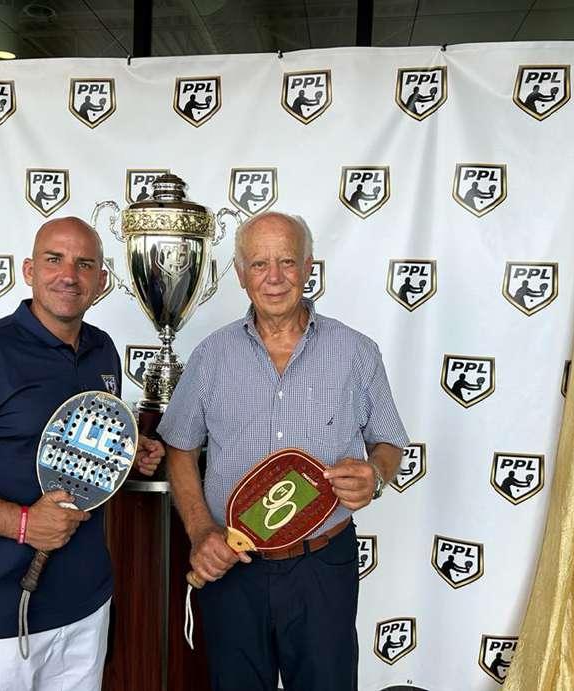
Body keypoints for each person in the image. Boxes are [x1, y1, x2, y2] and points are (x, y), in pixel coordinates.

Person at [0, 217, 164, 691]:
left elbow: (76, 447)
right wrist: (22, 523)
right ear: (28, 271)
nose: (69, 275)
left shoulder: (102, 350)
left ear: (101, 280)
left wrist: (125, 450)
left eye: (85, 264)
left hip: (86, 602)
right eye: (54, 259)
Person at [157, 211, 408, 690]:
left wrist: (375, 475)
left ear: (309, 267)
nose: (274, 277)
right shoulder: (210, 356)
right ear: (240, 274)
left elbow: (389, 441)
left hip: (321, 565)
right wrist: (201, 531)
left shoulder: (357, 352)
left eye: (287, 262)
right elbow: (180, 448)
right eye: (259, 264)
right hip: (233, 563)